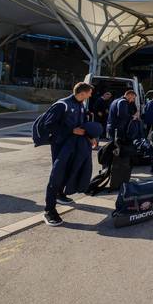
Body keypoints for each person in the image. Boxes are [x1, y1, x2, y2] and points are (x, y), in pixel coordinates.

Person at [41, 82, 96, 226]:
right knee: (57, 175)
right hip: (61, 146)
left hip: (76, 145)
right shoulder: (62, 105)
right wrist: (71, 131)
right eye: (89, 93)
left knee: (70, 171)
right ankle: (49, 210)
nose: (90, 95)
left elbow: (82, 124)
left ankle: (60, 194)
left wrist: (90, 137)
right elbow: (49, 125)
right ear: (82, 93)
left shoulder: (81, 105)